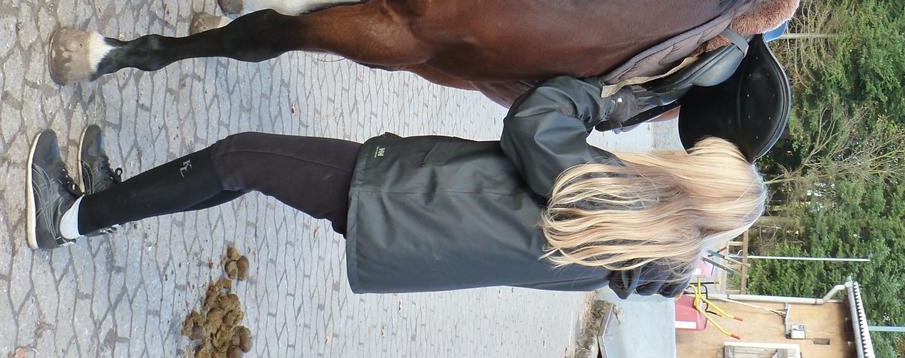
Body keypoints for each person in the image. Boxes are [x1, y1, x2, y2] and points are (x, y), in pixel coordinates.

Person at [28, 76, 765, 297]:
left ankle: (70, 218)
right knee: (246, 166)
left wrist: (604, 100)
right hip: (404, 228)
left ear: (699, 181)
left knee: (239, 155)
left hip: (390, 198)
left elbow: (534, 120)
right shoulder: (633, 252)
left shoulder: (615, 200)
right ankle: (107, 204)